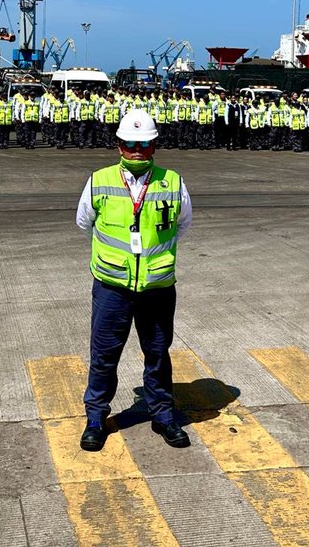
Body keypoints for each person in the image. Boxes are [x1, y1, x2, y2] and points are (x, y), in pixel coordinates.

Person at [75, 108, 192, 452]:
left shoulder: (172, 182)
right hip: (112, 287)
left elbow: (183, 225)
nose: (137, 150)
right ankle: (96, 417)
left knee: (157, 353)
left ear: (154, 145)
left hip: (156, 288)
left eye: (144, 144)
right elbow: (85, 222)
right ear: (119, 145)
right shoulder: (100, 180)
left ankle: (162, 414)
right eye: (130, 143)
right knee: (104, 355)